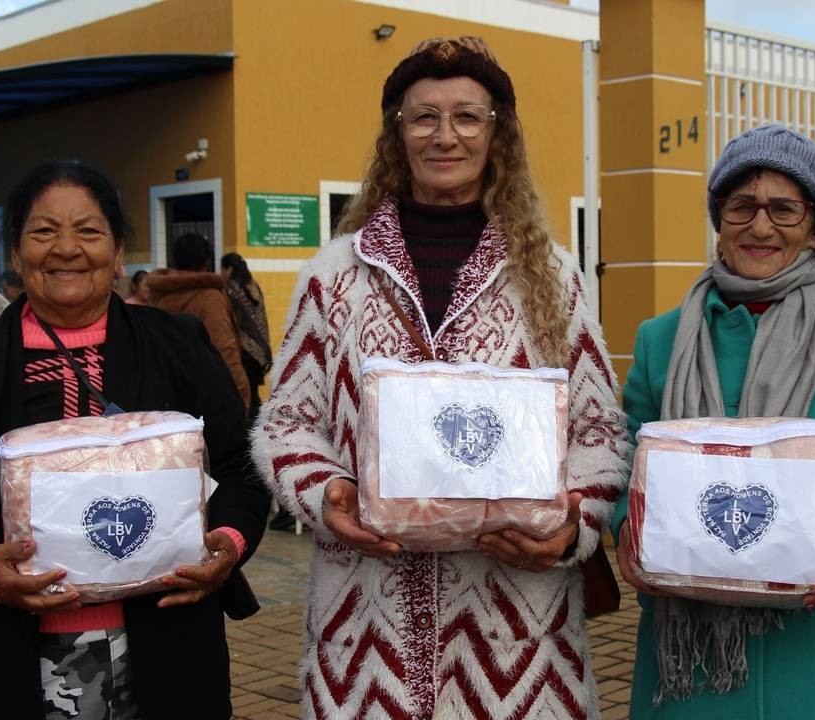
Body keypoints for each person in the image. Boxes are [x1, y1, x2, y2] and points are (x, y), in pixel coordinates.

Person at [251, 37, 629, 718]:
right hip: (366, 635)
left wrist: (573, 524)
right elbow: (286, 423)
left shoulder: (552, 276)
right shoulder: (335, 276)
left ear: (497, 134)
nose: (445, 136)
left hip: (516, 638)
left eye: (467, 117)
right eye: (424, 117)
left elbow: (599, 428)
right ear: (397, 136)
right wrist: (325, 491)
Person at [0, 160, 269, 719]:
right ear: (16, 251)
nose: (66, 249)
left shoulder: (177, 346)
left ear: (118, 248)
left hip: (166, 649)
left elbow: (244, 464)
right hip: (10, 654)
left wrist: (227, 542)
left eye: (88, 231)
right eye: (43, 231)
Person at [610, 124, 815, 718]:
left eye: (784, 209)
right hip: (689, 662)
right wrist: (627, 529)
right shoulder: (661, 340)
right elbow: (620, 465)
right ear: (719, 218)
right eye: (742, 205)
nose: (761, 226)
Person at [145, 233, 251, 412]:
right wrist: (241, 397)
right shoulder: (209, 298)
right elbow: (224, 350)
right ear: (207, 263)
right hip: (204, 402)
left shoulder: (157, 294)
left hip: (163, 397)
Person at [220, 252, 271, 412]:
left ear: (228, 269)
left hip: (243, 351)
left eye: (222, 270)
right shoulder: (253, 286)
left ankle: (248, 431)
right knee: (254, 394)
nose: (221, 274)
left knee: (243, 396)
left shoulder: (231, 290)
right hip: (259, 351)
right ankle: (256, 430)